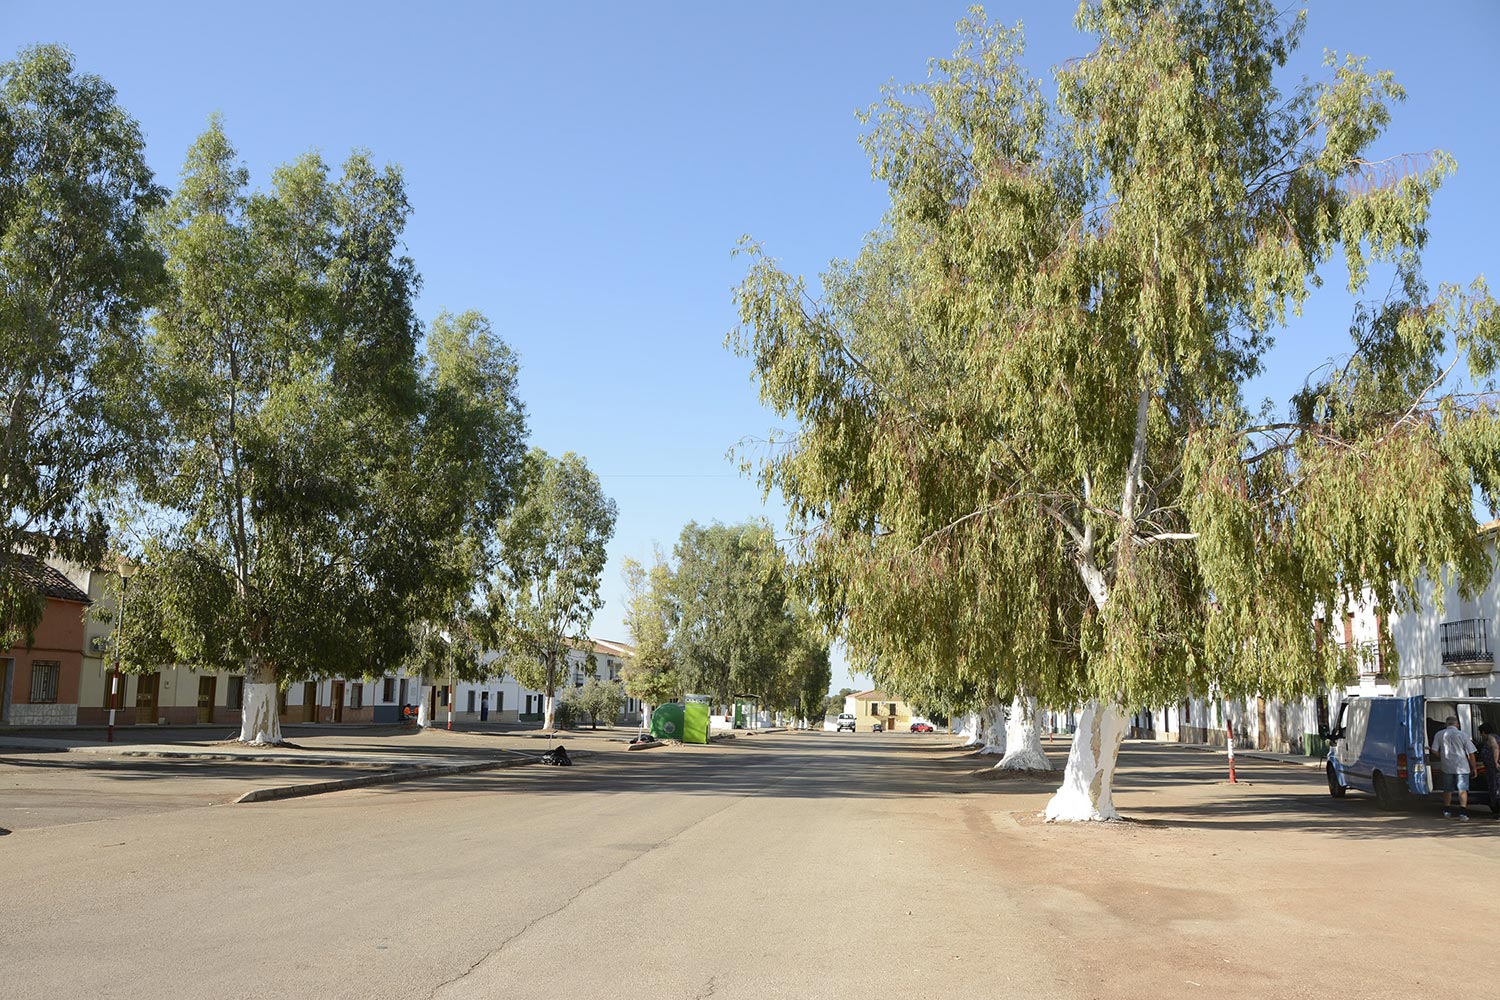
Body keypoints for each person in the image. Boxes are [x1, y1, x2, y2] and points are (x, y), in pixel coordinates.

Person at [1430, 715, 1478, 820]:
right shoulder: (1463, 735)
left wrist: (1442, 757)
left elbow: (1434, 750)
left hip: (1447, 766)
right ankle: (1463, 812)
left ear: (1446, 724)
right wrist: (1474, 768)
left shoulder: (1439, 734)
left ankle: (1447, 810)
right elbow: (1471, 753)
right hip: (1462, 766)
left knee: (1447, 789)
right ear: (1457, 724)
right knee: (1462, 789)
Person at [1479, 723, 1500, 819]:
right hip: (1491, 769)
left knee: (1496, 788)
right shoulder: (1496, 737)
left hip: (1494, 769)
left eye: (1481, 733)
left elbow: (1495, 748)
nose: (1481, 735)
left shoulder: (1491, 738)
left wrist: (1495, 762)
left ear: (1484, 732)